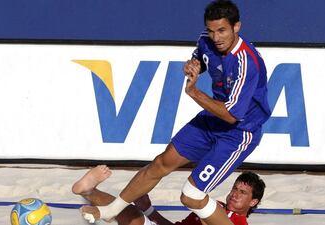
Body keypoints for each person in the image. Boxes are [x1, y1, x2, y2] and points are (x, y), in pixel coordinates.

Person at [79, 1, 271, 225]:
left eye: (222, 30)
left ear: (236, 27)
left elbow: (231, 115)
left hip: (238, 131)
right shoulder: (206, 41)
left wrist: (194, 92)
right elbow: (201, 57)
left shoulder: (246, 62)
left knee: (191, 195)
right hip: (212, 119)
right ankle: (111, 210)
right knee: (161, 162)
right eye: (211, 30)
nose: (216, 37)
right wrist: (194, 66)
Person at [73, 165, 266, 225]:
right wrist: (149, 210)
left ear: (254, 201)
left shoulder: (239, 222)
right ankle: (88, 190)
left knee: (135, 219)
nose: (234, 194)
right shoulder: (211, 206)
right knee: (132, 213)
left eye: (242, 192)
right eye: (234, 189)